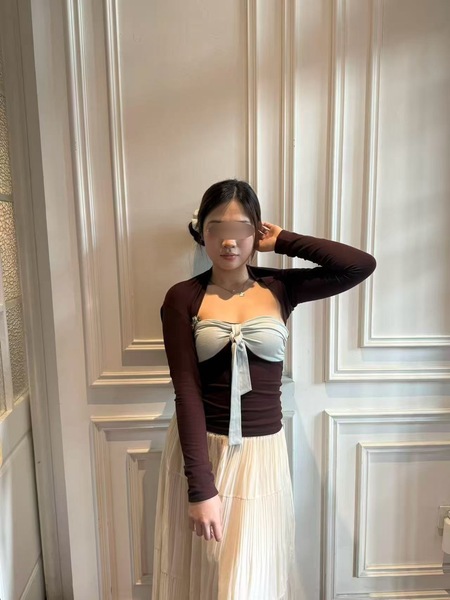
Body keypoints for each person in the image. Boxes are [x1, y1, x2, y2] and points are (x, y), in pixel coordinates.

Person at [152, 179, 376, 599]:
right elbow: (186, 391)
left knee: (251, 579)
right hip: (204, 450)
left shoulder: (279, 287)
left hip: (262, 455)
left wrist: (284, 240)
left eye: (241, 229)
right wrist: (201, 488)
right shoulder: (182, 297)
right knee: (206, 579)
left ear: (256, 232)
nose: (229, 241)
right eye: (217, 228)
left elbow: (358, 265)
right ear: (201, 232)